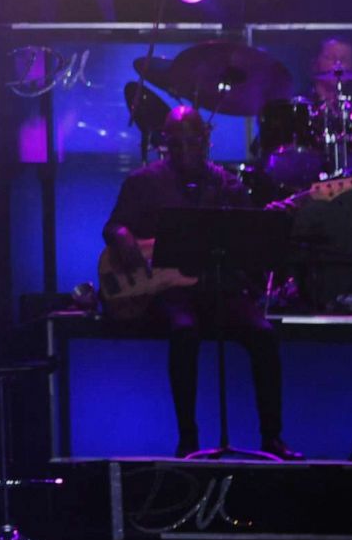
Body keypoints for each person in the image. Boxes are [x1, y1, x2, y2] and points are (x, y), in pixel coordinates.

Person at [102, 106, 302, 460]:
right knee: (183, 331)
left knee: (264, 334)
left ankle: (272, 436)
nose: (183, 151)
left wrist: (269, 225)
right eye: (175, 144)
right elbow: (113, 226)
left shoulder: (227, 184)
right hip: (172, 292)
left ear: (206, 142)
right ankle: (188, 439)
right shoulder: (143, 182)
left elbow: (248, 241)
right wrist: (123, 237)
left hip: (218, 287)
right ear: (165, 143)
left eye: (191, 143)